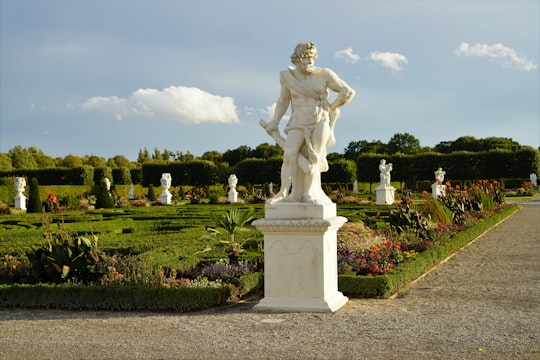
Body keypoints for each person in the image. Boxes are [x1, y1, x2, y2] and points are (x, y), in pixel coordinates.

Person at [261, 42, 355, 204]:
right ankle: (284, 192)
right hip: (297, 121)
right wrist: (274, 121)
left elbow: (348, 92)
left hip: (320, 122)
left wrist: (331, 108)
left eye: (311, 57)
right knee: (289, 155)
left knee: (314, 159)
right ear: (296, 59)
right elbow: (283, 101)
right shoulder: (287, 77)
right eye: (305, 57)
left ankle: (310, 193)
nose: (309, 61)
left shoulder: (324, 74)